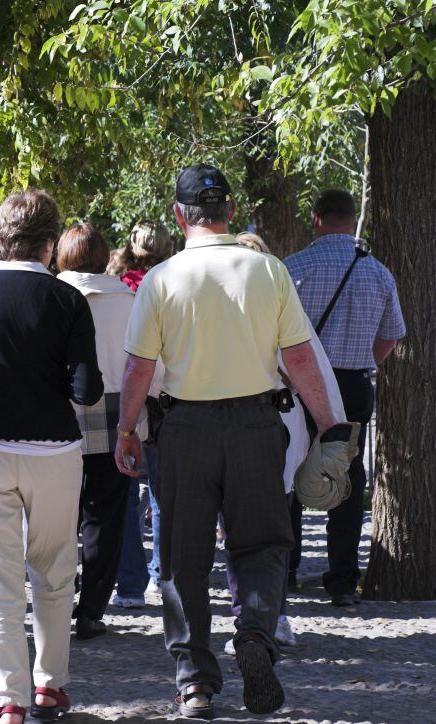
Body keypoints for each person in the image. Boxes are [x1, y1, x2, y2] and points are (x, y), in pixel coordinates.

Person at [115, 164, 337, 719]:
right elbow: (301, 358)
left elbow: (138, 369)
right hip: (257, 427)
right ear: (232, 213)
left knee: (183, 558)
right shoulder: (269, 272)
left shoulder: (162, 279)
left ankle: (194, 683)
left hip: (185, 428)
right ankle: (257, 635)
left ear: (178, 216)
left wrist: (126, 429)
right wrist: (329, 426)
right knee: (262, 543)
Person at [0, 190, 103, 724]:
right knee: (54, 571)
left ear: (1, 237)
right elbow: (86, 391)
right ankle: (49, 684)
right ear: (49, 242)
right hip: (54, 451)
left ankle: (7, 699)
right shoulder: (68, 301)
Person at [222, 232, 348, 653]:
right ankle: (271, 614)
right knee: (278, 522)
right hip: (283, 421)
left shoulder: (229, 309)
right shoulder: (279, 304)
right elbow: (315, 370)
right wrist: (332, 427)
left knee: (241, 526)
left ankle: (253, 615)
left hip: (244, 422)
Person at [284, 189, 405, 607]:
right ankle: (341, 580)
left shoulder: (293, 268)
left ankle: (286, 570)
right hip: (353, 383)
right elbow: (390, 337)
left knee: (291, 469)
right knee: (347, 477)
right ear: (352, 221)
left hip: (300, 384)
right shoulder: (378, 272)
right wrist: (358, 362)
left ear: (316, 219)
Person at [56, 222, 156, 637]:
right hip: (121, 411)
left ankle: (56, 598)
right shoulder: (131, 300)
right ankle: (92, 608)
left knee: (57, 514)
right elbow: (153, 364)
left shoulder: (51, 296)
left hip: (59, 411)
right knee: (108, 513)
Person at [110, 219, 174, 603]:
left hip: (127, 389)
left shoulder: (119, 285)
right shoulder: (173, 280)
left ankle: (130, 579)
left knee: (127, 490)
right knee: (162, 494)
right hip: (164, 395)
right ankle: (160, 573)